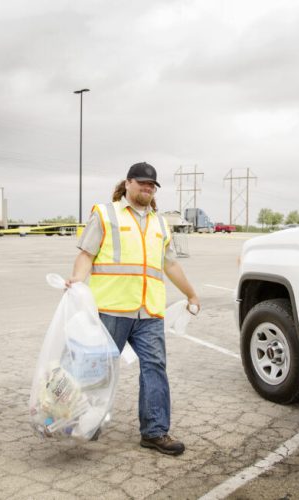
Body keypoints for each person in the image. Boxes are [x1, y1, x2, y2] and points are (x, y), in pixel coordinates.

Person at [66, 162, 200, 456]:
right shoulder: (105, 214)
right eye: (142, 183)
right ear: (127, 183)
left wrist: (191, 293)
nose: (147, 188)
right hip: (111, 308)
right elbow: (86, 254)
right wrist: (77, 280)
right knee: (98, 369)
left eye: (152, 185)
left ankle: (154, 432)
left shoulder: (161, 223)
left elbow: (171, 264)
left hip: (149, 311)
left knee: (155, 368)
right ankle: (83, 421)